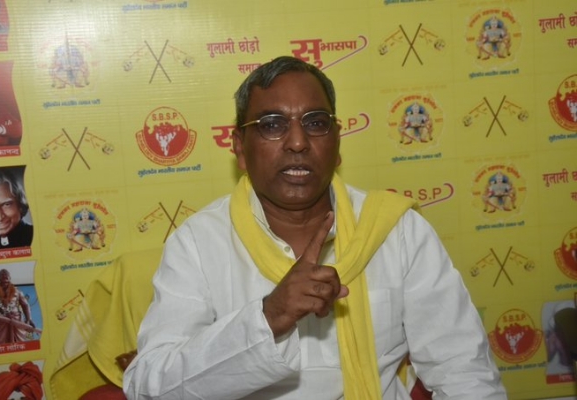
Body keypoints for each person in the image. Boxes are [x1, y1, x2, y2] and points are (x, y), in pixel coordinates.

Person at [124, 56, 506, 399]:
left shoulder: (396, 229)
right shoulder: (198, 243)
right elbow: (149, 386)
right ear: (240, 147)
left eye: (316, 123)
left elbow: (464, 371)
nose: (297, 142)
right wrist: (267, 319)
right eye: (272, 125)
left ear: (337, 143)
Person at [0, 268, 38, 345]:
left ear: (10, 278)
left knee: (20, 343)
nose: (4, 276)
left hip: (16, 321)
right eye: (2, 276)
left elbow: (25, 305)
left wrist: (29, 319)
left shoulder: (18, 292)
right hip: (0, 322)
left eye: (6, 276)